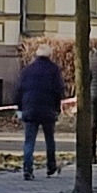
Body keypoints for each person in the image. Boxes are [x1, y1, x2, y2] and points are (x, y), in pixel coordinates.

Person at [16, 43, 65, 180]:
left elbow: (18, 90)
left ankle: (27, 169)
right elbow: (58, 91)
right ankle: (51, 168)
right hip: (48, 110)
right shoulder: (54, 69)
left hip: (30, 109)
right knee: (49, 140)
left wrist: (20, 108)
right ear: (50, 55)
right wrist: (57, 108)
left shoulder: (27, 70)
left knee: (29, 141)